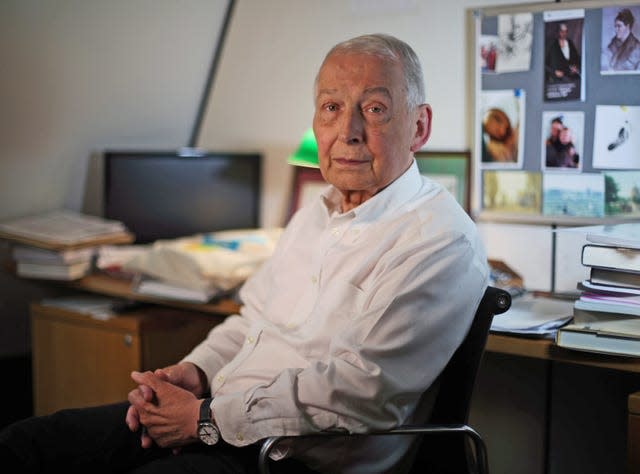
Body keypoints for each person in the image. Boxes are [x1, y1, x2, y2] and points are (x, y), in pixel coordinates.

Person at [0, 33, 489, 474]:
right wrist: (193, 374)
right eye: (331, 107)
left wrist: (206, 421)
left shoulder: (440, 241)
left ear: (419, 126)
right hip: (220, 423)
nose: (349, 131)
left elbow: (362, 396)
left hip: (297, 460)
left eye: (376, 109)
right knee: (27, 444)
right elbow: (250, 325)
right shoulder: (313, 216)